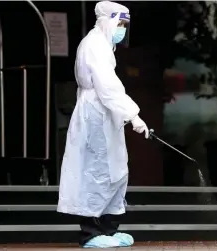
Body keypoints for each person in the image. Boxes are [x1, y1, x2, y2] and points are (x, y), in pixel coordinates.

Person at [57, 1, 149, 248]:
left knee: (115, 170)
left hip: (106, 113)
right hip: (95, 113)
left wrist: (128, 115)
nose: (122, 29)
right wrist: (133, 114)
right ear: (106, 20)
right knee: (96, 171)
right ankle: (90, 233)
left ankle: (109, 228)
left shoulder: (105, 45)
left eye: (124, 24)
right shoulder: (94, 45)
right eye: (119, 23)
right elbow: (107, 87)